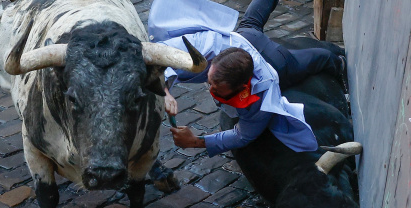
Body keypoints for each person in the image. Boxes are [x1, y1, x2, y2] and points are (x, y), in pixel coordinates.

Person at [147, 0, 346, 157]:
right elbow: (163, 55)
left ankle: (338, 62)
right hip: (244, 37)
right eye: (209, 81)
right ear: (216, 58)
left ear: (243, 88)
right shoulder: (206, 43)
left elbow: (243, 135)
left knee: (316, 58)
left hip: (275, 60)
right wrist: (164, 92)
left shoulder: (261, 97)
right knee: (251, 22)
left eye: (217, 89)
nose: (210, 90)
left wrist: (196, 141)